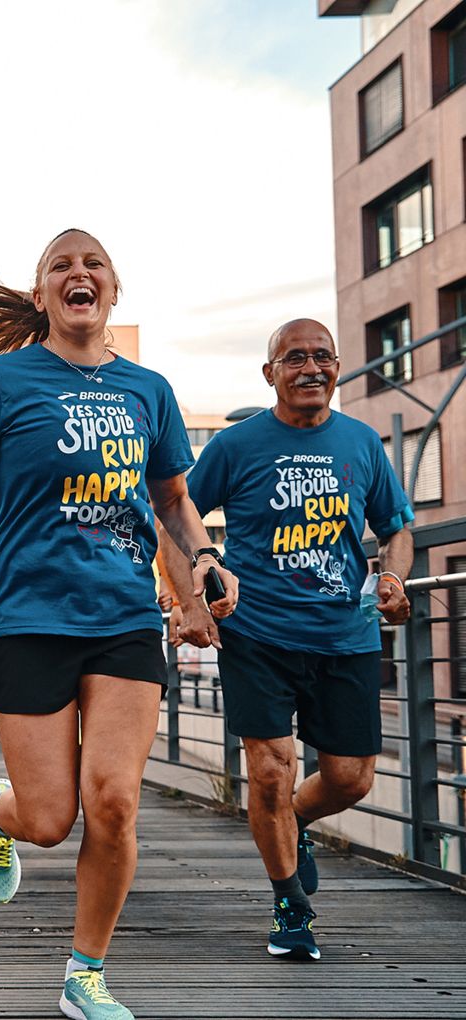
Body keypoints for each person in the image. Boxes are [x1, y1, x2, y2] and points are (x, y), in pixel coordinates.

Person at [0, 228, 238, 1020]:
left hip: (124, 616)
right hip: (27, 617)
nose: (79, 272)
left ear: (112, 289)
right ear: (42, 296)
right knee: (50, 819)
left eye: (92, 262)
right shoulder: (1, 381)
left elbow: (172, 500)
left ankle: (84, 973)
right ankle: (2, 813)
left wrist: (201, 562)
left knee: (116, 801)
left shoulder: (148, 390)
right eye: (61, 265)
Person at [159, 318, 413, 962]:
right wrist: (192, 602)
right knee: (271, 771)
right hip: (258, 633)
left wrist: (392, 578)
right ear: (270, 373)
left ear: (338, 368)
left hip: (346, 634)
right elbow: (173, 516)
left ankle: (293, 820)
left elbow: (396, 528)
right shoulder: (236, 445)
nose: (310, 368)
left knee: (351, 779)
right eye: (294, 358)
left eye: (322, 356)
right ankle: (290, 906)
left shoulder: (361, 442)